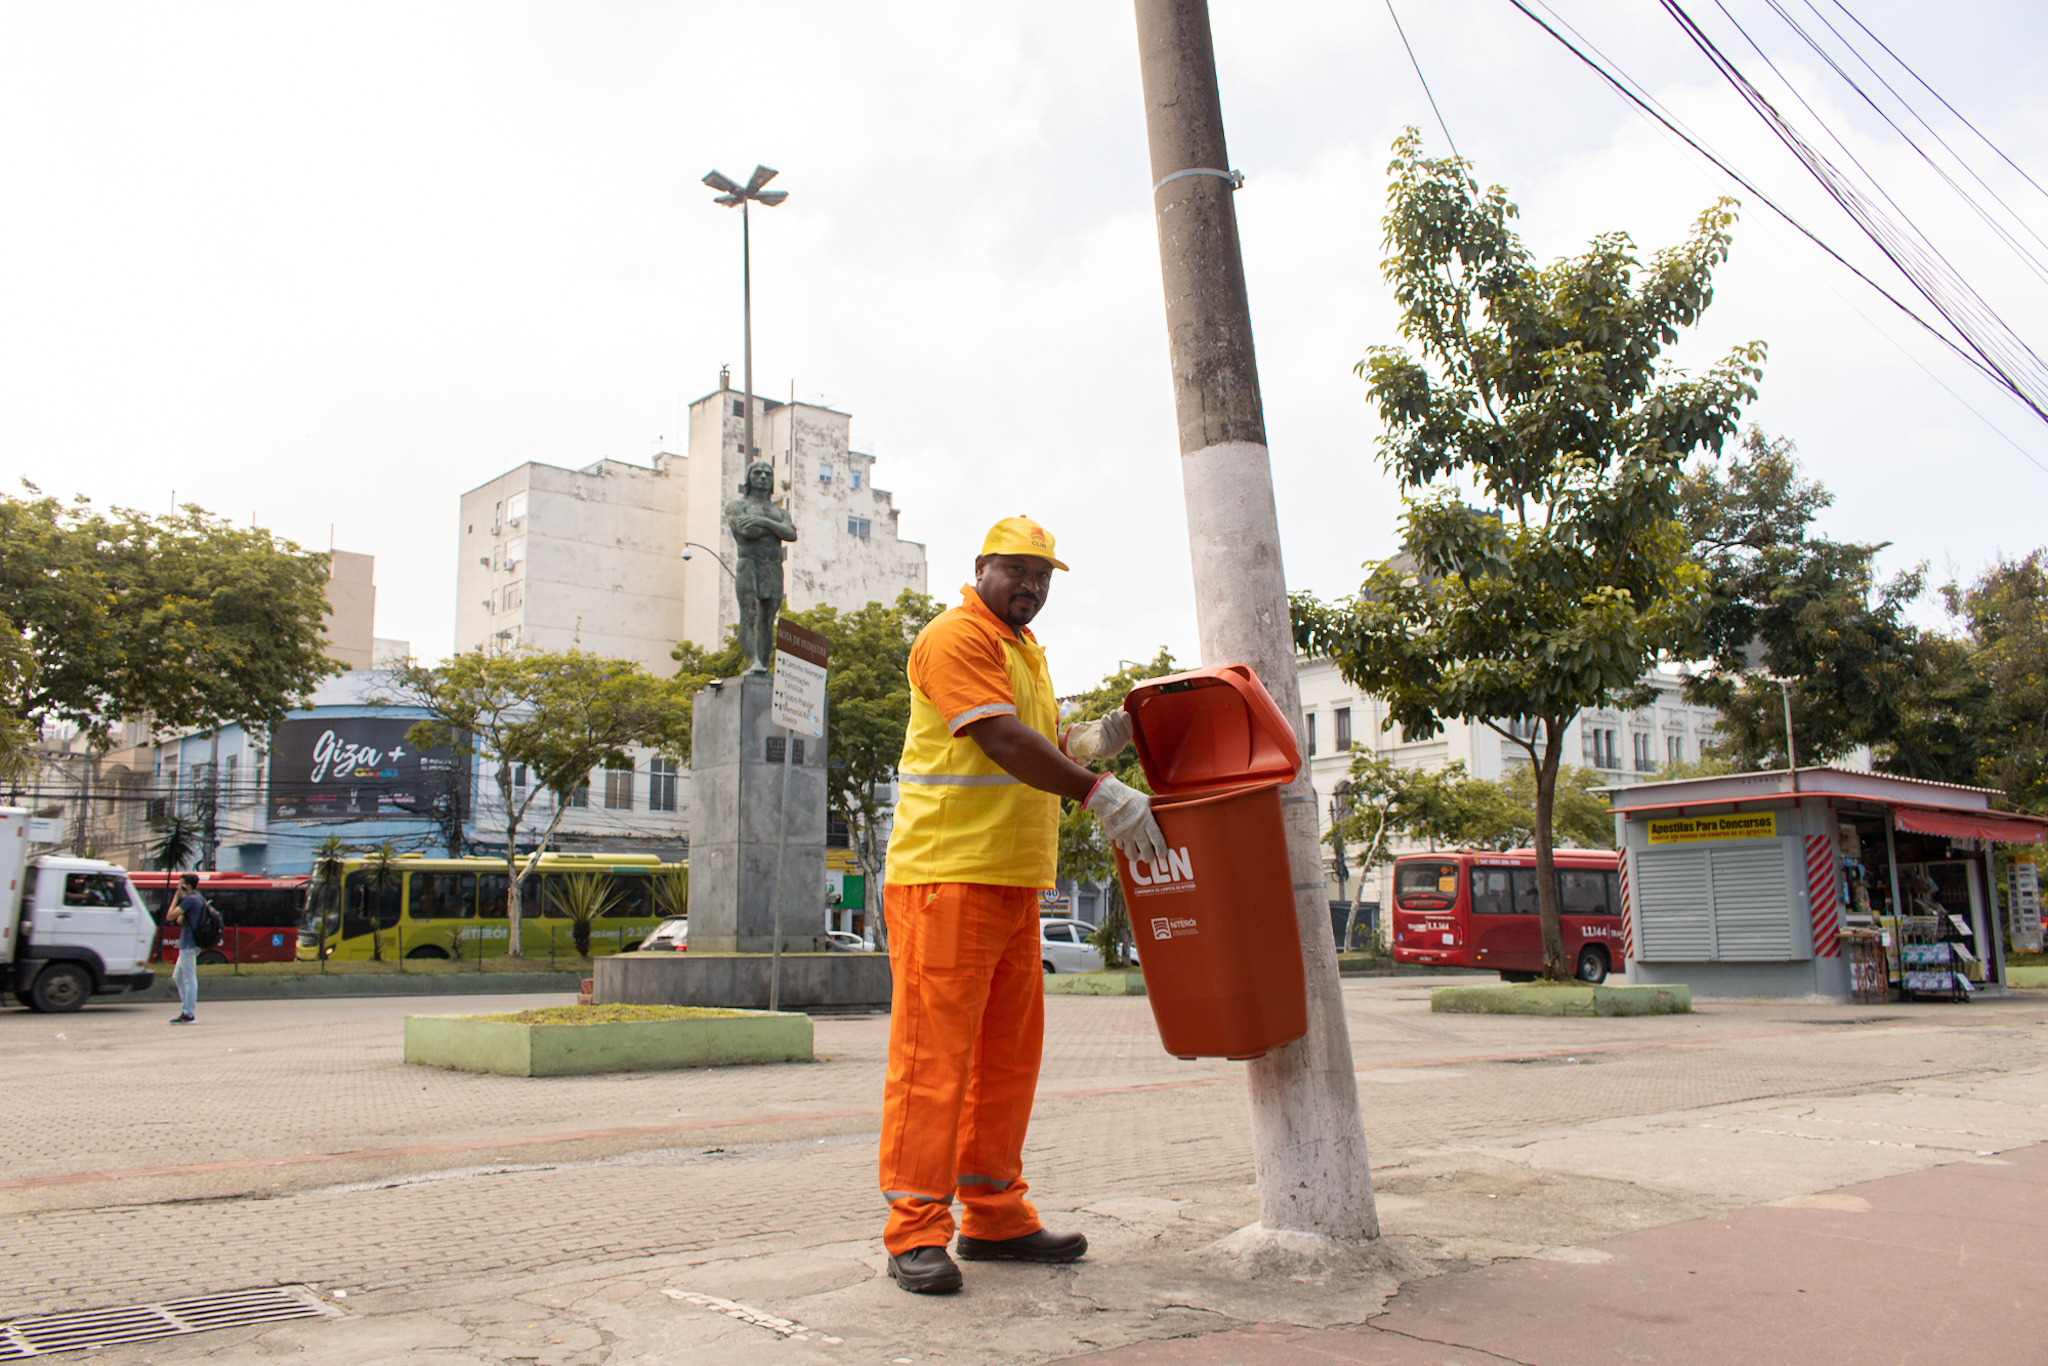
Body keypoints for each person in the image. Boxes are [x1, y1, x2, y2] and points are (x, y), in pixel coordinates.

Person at [877, 515, 1167, 1295]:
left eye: (1043, 577)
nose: (1032, 588)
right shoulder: (956, 637)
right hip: (945, 878)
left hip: (1011, 881)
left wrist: (1094, 741)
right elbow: (1000, 740)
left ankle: (995, 1214)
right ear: (982, 568)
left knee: (1006, 1062)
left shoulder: (1023, 652)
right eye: (1018, 572)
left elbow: (1037, 739)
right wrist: (1101, 792)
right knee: (933, 1062)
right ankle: (914, 1230)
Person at [724, 459, 799, 675]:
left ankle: (763, 665)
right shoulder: (737, 506)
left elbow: (791, 534)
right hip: (749, 564)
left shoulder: (780, 512)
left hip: (773, 566)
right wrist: (777, 530)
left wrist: (763, 522)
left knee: (768, 618)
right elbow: (747, 532)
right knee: (749, 614)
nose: (764, 477)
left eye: (768, 473)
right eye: (758, 473)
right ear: (749, 478)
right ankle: (752, 661)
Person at [166, 872, 204, 1025]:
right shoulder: (197, 898)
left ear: (186, 886)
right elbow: (180, 920)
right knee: (178, 976)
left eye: (180, 884)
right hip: (189, 943)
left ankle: (188, 1014)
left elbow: (169, 916)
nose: (178, 886)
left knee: (189, 977)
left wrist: (176, 897)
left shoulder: (191, 900)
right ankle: (186, 1008)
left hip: (189, 943)